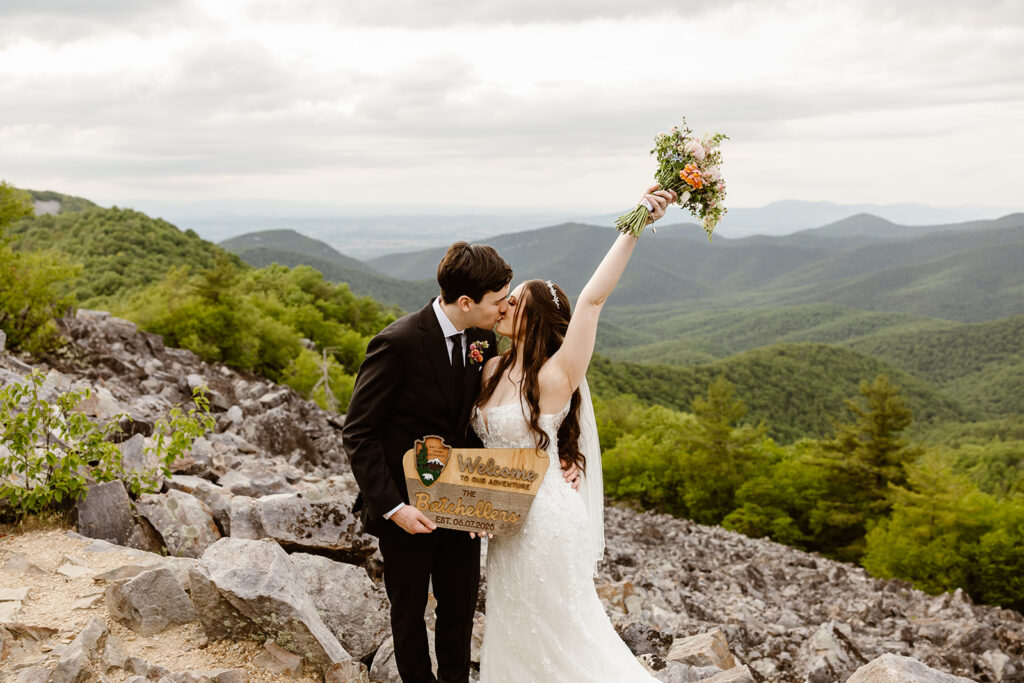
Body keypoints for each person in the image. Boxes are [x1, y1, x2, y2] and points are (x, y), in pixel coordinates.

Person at [343, 241, 579, 683]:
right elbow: (359, 432)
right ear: (466, 302)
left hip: (465, 508)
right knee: (409, 615)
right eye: (499, 300)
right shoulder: (397, 343)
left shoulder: (484, 339)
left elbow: (496, 418)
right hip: (405, 509)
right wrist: (394, 508)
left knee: (459, 614)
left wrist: (562, 455)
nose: (507, 305)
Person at [471, 184, 676, 682]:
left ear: (534, 317)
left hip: (545, 524)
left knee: (561, 638)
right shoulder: (488, 365)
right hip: (501, 523)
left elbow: (591, 300)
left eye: (513, 302)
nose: (502, 307)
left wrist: (637, 223)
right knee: (515, 634)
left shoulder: (557, 374)